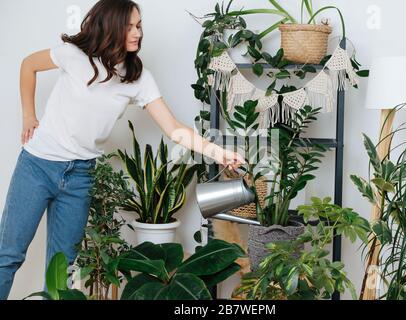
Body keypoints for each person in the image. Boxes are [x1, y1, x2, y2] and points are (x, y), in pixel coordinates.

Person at [0, 0, 245, 300]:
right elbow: (29, 64)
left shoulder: (138, 77)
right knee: (8, 256)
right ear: (110, 25)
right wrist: (28, 115)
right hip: (37, 166)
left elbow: (173, 128)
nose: (137, 33)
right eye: (129, 26)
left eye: (139, 25)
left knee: (62, 268)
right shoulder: (74, 55)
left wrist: (218, 153)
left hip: (79, 176)